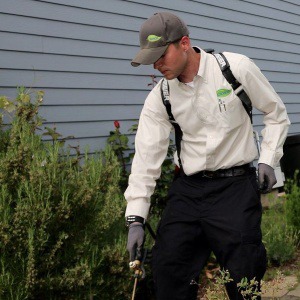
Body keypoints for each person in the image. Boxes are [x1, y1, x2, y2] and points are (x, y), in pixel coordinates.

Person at [125, 11, 290, 300]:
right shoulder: (160, 97)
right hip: (188, 191)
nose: (157, 64)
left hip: (235, 188)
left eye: (162, 55)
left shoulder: (234, 69)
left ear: (185, 43)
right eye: (152, 59)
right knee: (168, 270)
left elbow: (276, 114)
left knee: (244, 278)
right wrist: (136, 218)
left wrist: (268, 158)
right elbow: (146, 159)